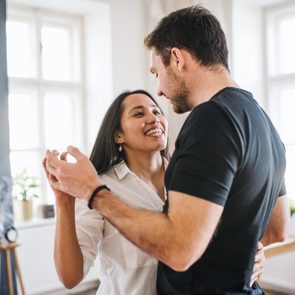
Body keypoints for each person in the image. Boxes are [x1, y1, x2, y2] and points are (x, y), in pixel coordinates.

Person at [45, 5, 290, 295]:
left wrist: (93, 191)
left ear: (176, 58)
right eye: (138, 114)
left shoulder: (210, 119)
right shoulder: (264, 122)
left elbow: (180, 250)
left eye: (156, 72)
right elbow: (275, 230)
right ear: (118, 135)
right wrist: (241, 255)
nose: (159, 91)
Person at [44, 90, 264, 295]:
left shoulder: (193, 178)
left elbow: (216, 235)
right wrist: (63, 201)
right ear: (118, 136)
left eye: (157, 111)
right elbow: (70, 277)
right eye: (139, 113)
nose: (153, 118)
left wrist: (253, 255)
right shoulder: (97, 187)